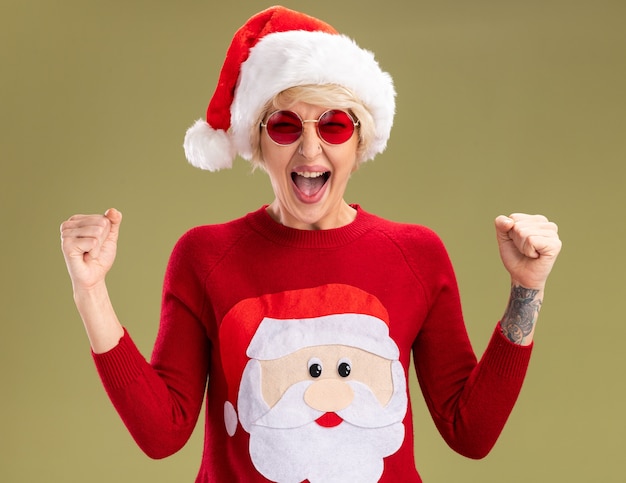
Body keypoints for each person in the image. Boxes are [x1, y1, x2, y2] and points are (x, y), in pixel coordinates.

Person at [60, 6, 562, 483]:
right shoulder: (205, 256)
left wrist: (527, 290)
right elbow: (162, 433)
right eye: (284, 125)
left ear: (359, 140)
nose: (309, 147)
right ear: (257, 141)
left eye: (333, 124)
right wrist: (91, 291)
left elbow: (469, 432)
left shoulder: (415, 255)